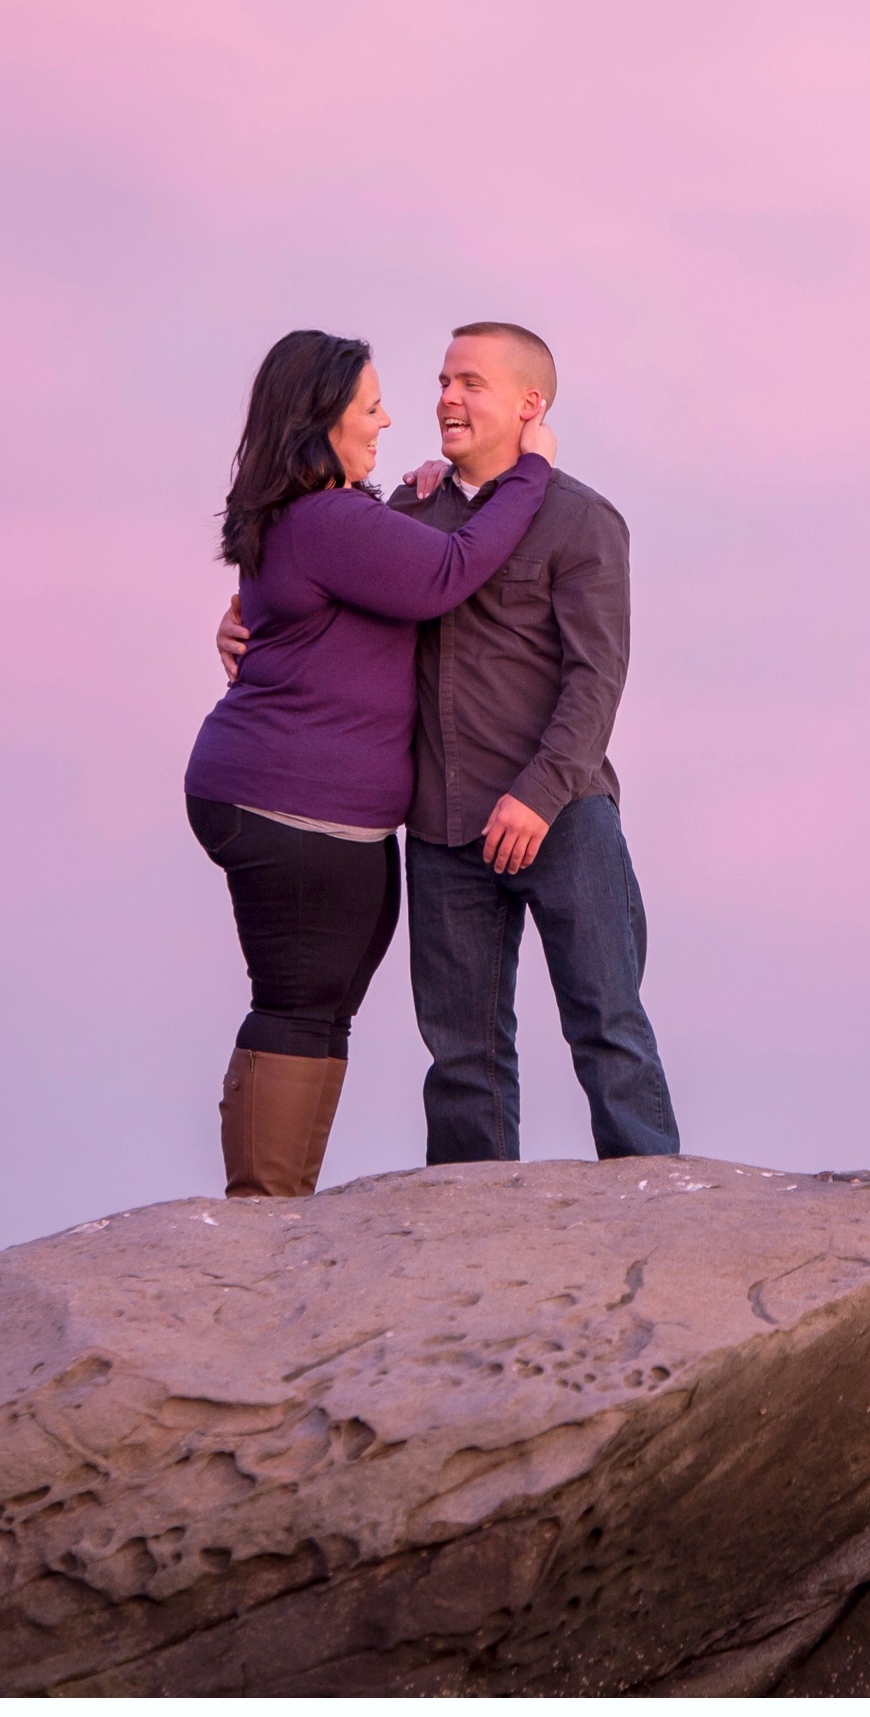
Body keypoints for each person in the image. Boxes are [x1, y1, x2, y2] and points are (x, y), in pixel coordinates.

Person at [220, 323, 680, 1166]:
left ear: (528, 405)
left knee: (608, 1029)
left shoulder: (581, 518)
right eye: (440, 379)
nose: (443, 398)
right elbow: (311, 579)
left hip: (563, 814)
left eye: (469, 382)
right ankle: (465, 1253)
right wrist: (244, 617)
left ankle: (659, 1219)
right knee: (462, 1060)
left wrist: (540, 794)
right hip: (439, 824)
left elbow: (596, 679)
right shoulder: (405, 506)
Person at [184, 329, 552, 1198]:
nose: (390, 419)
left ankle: (277, 1208)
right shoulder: (325, 518)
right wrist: (529, 471)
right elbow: (447, 573)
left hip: (286, 799)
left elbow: (348, 590)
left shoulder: (316, 515)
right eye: (371, 406)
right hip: (288, 804)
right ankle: (261, 1214)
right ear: (322, 422)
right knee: (298, 1002)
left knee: (313, 1005)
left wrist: (408, 499)